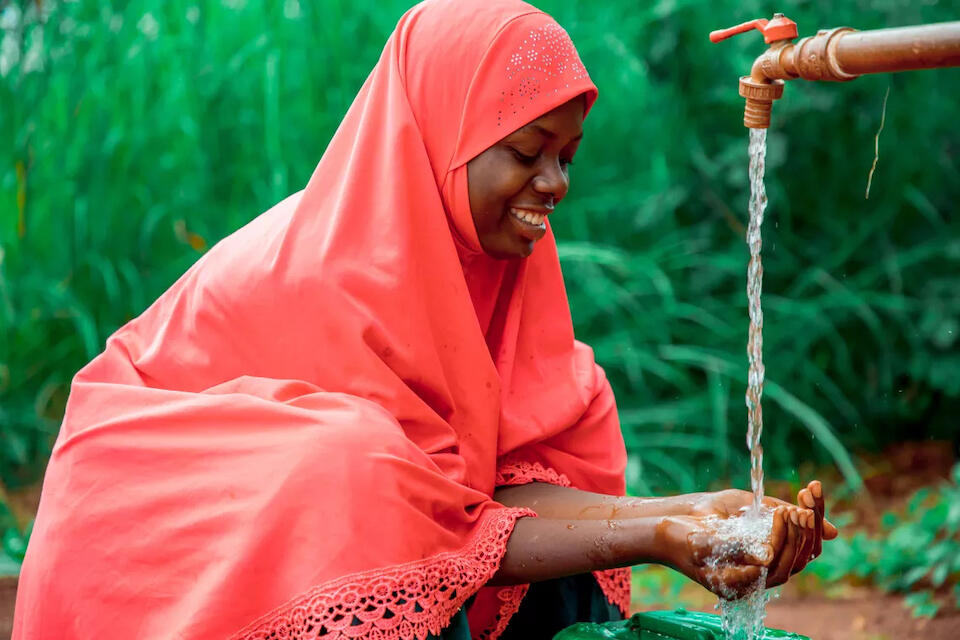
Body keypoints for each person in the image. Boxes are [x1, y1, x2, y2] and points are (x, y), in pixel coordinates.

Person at [12, 1, 837, 639]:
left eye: (567, 156)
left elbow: (494, 493)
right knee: (351, 472)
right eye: (526, 150)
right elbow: (405, 512)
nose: (554, 182)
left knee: (574, 408)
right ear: (442, 140)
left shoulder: (497, 271)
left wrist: (701, 513)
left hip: (321, 511)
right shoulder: (331, 273)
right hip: (141, 535)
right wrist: (659, 533)